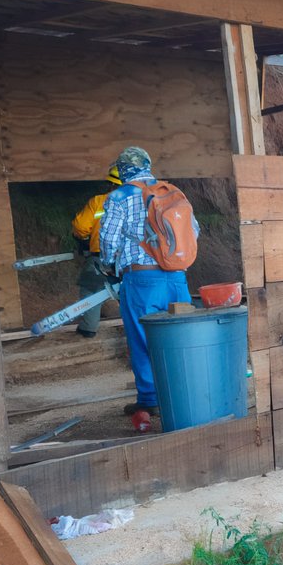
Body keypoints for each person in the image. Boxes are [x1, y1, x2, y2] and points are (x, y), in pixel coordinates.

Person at [99, 146, 198, 417]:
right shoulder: (172, 193)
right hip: (177, 277)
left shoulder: (119, 196)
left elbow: (108, 240)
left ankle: (151, 398)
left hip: (142, 278)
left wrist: (108, 266)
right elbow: (194, 231)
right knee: (180, 336)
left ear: (123, 170)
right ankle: (186, 393)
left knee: (143, 338)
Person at [70, 165, 122, 338]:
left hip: (100, 256)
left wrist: (84, 241)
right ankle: (134, 328)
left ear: (111, 183)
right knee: (131, 291)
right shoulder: (139, 203)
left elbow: (80, 227)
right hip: (131, 259)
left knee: (90, 289)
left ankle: (88, 328)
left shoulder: (99, 202)